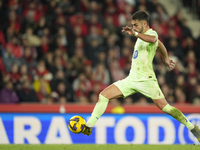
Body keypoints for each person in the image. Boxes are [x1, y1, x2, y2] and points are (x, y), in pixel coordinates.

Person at [81, 11, 200, 142]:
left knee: (166, 108)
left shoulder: (151, 33)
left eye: (136, 25)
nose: (134, 27)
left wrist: (136, 33)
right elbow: (159, 44)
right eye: (133, 25)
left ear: (144, 23)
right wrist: (165, 58)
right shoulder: (141, 37)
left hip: (147, 80)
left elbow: (155, 40)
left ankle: (191, 127)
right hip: (132, 79)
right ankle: (89, 125)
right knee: (103, 95)